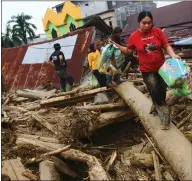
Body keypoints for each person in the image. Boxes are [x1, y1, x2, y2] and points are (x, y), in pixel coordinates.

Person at [110, 11, 180, 130]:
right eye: (144, 23)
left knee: (162, 91)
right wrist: (118, 46)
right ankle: (165, 120)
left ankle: (155, 106)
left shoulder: (157, 32)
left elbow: (166, 45)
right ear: (139, 23)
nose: (147, 25)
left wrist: (173, 55)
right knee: (156, 92)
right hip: (147, 71)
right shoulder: (134, 37)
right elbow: (129, 51)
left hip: (163, 69)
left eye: (149, 23)